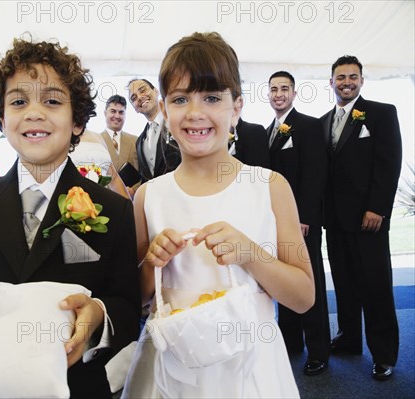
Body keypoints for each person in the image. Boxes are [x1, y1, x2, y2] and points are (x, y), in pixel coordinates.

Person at [0, 37, 141, 398]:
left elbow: (127, 308)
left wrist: (97, 314)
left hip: (74, 383)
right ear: (2, 120)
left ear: (77, 121)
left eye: (51, 100)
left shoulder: (113, 209)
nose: (34, 112)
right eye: (19, 101)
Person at [122, 32, 314, 398]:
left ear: (236, 107)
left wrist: (250, 253)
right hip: (172, 368)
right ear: (164, 109)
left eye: (211, 97)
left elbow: (303, 297)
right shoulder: (149, 196)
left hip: (251, 366)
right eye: (180, 99)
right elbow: (135, 297)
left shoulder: (269, 187)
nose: (195, 113)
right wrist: (152, 262)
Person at [321, 55, 402, 381]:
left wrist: (378, 208)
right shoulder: (324, 121)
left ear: (362, 81)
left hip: (369, 220)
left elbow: (389, 163)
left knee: (376, 287)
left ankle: (384, 354)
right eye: (340, 77)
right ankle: (350, 338)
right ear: (331, 83)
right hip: (335, 222)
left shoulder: (381, 113)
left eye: (352, 77)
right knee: (344, 284)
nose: (346, 82)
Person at [267, 71, 330, 376]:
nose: (278, 94)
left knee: (309, 280)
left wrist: (304, 217)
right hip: (278, 222)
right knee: (285, 280)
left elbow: (315, 174)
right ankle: (291, 340)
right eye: (273, 89)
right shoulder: (269, 130)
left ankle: (318, 350)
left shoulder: (308, 125)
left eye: (284, 89)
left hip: (302, 222)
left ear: (293, 93)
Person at [127, 78, 181, 183]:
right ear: (135, 108)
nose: (140, 97)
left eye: (142, 90)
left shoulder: (178, 122)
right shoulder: (139, 142)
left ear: (156, 91)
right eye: (134, 98)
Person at [69, 129, 131, 199]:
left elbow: (113, 178)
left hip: (103, 201)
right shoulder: (62, 136)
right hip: (74, 200)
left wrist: (128, 204)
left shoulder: (98, 137)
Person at [100, 95, 139, 195]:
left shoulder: (136, 141)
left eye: (121, 112)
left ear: (125, 115)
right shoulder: (96, 141)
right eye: (113, 111)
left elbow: (142, 171)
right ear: (105, 113)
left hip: (130, 201)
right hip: (103, 199)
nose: (117, 116)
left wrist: (134, 190)